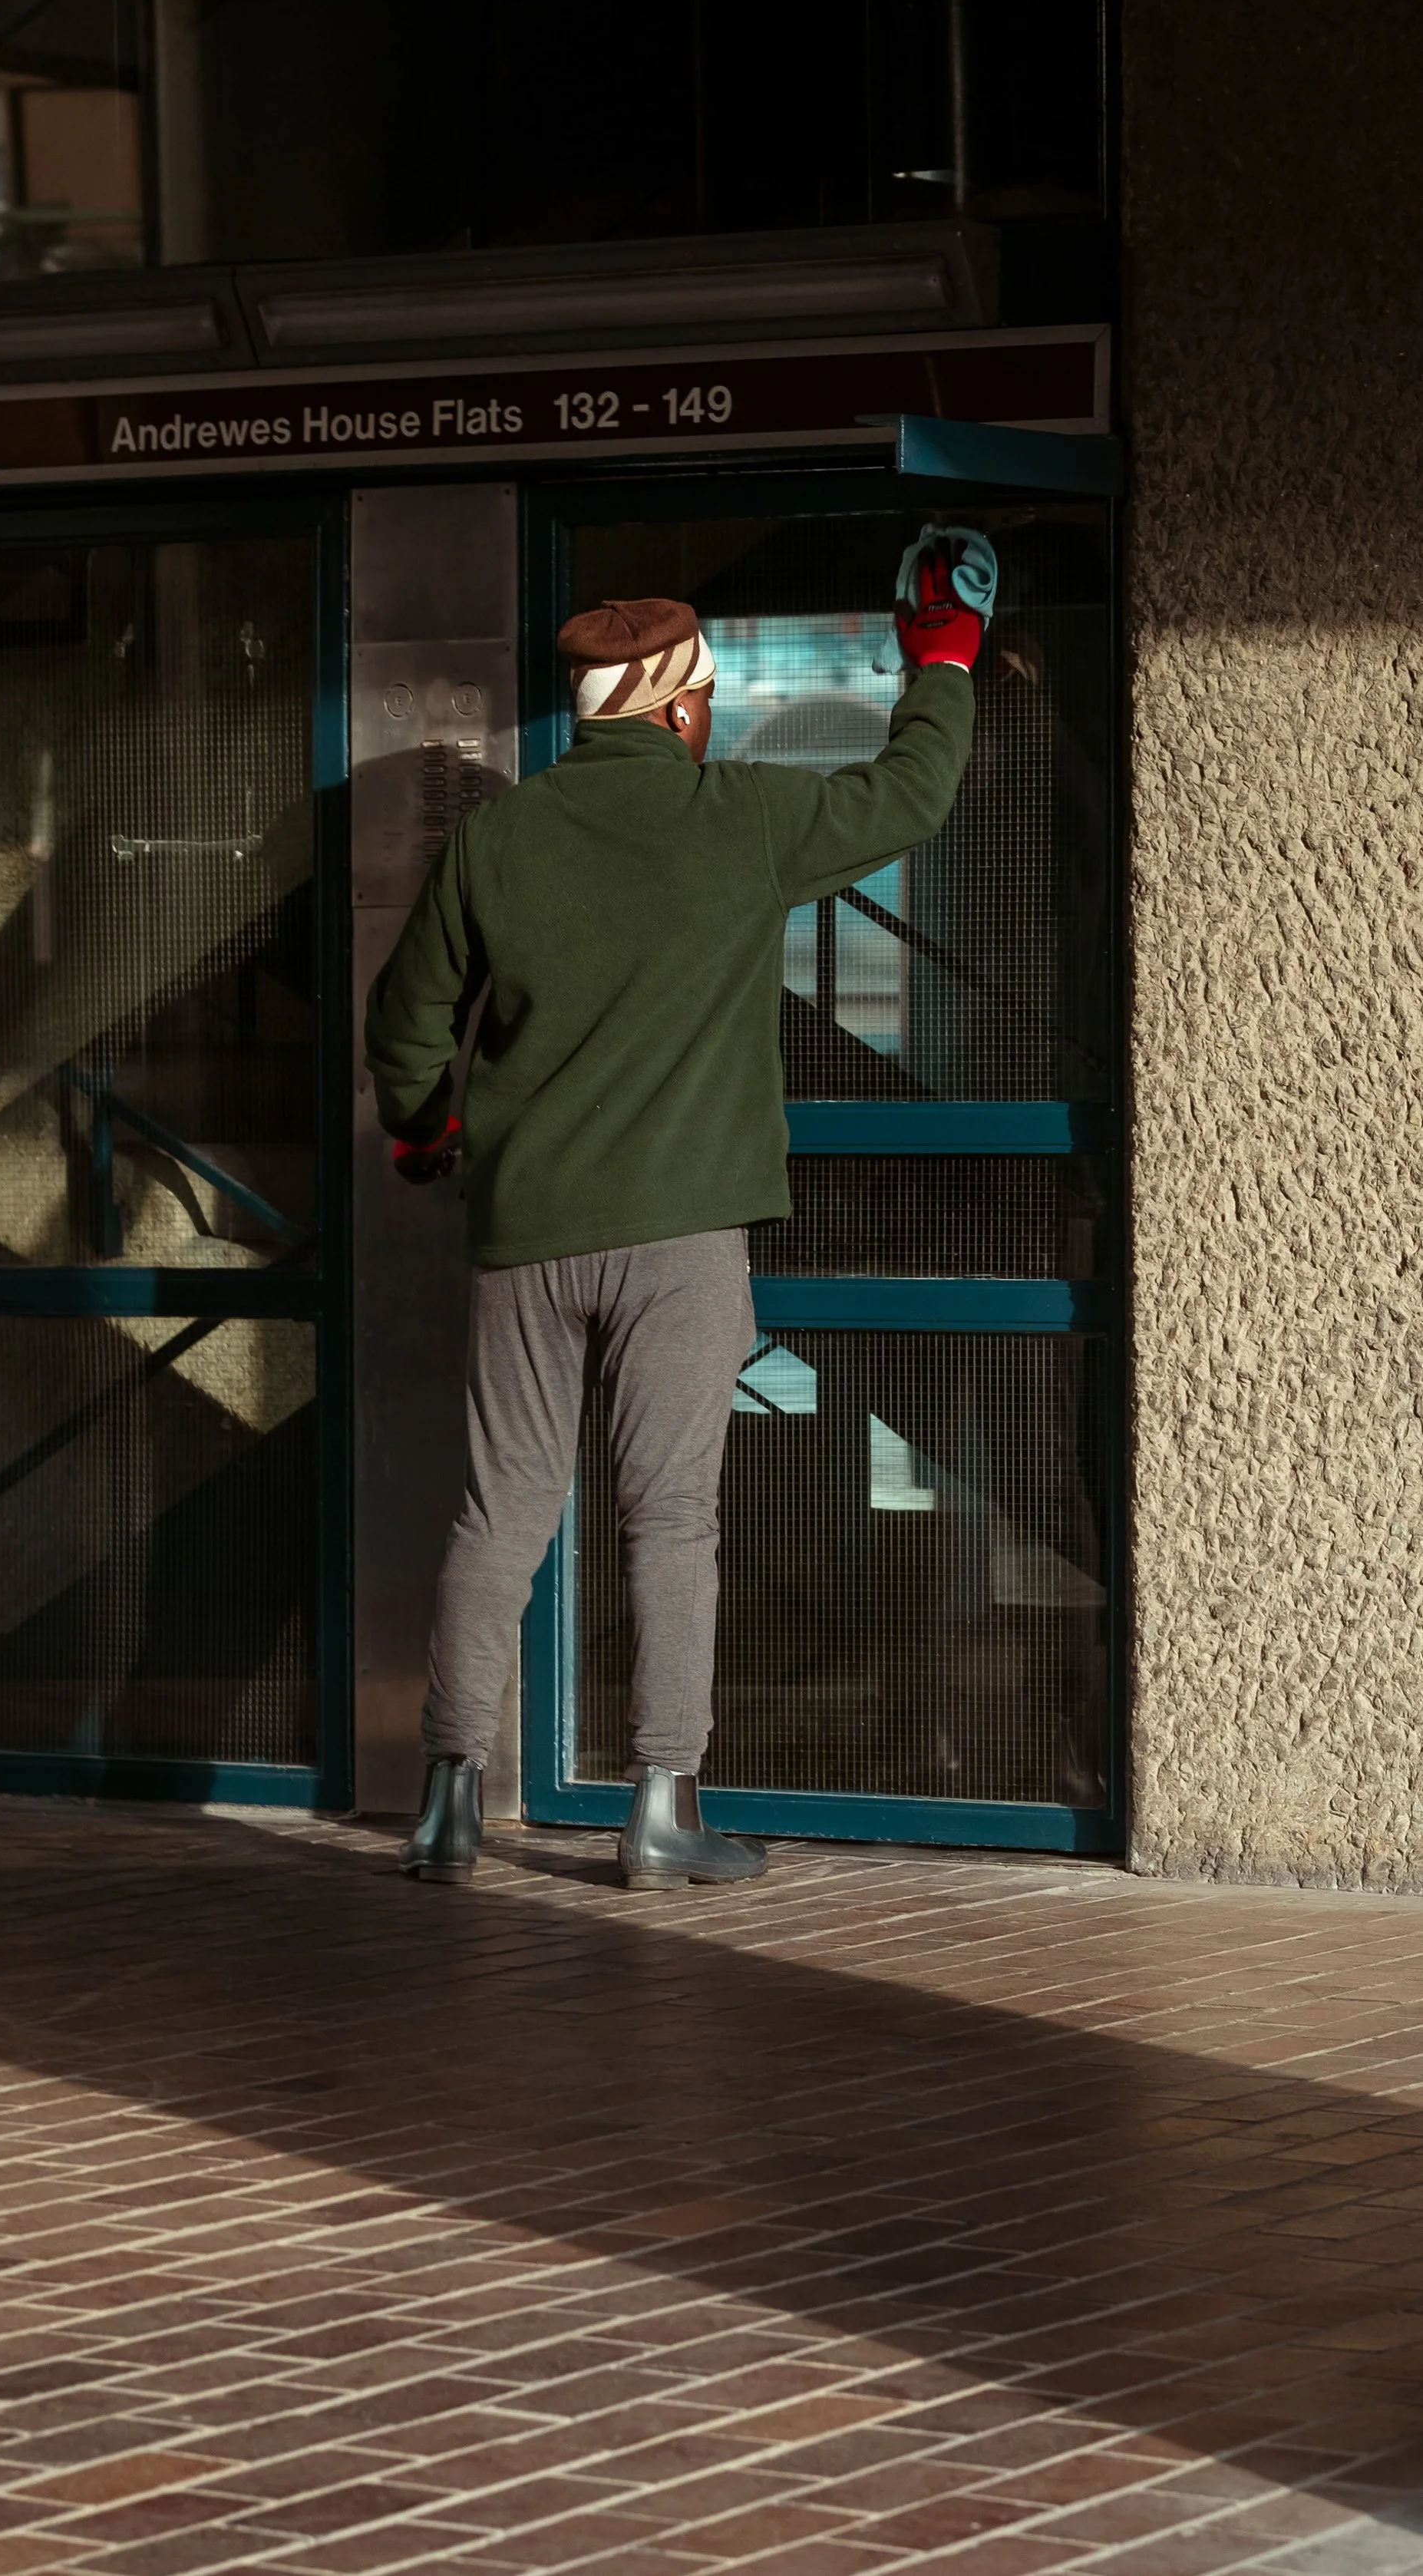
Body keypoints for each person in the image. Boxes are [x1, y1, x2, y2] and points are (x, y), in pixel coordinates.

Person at [365, 531, 992, 1890]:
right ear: (681, 703)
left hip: (527, 1240)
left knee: (500, 1514)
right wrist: (941, 657)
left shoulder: (500, 841)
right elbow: (910, 797)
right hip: (683, 1243)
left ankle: (450, 1803)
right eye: (705, 698)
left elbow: (408, 1020)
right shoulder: (742, 818)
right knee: (671, 1518)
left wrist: (427, 1135)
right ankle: (660, 1812)